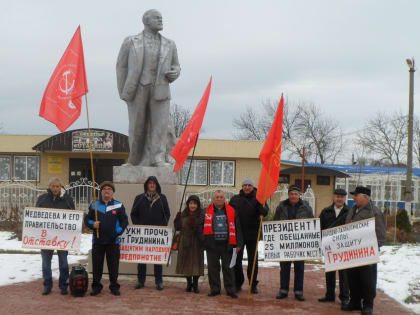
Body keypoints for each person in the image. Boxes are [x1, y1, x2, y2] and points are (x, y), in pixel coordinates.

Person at [116, 9, 181, 166]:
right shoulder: (131, 41)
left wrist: (175, 72)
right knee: (137, 125)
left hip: (161, 88)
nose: (160, 20)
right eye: (156, 18)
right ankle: (134, 159)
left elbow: (176, 66)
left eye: (161, 17)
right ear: (146, 21)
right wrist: (124, 91)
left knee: (160, 126)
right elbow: (121, 66)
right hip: (138, 88)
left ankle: (158, 157)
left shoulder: (170, 44)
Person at [342, 186, 386, 315]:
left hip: (367, 254)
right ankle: (354, 302)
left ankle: (368, 305)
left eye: (356, 195)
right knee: (352, 278)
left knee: (367, 280)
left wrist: (371, 247)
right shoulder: (352, 210)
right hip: (352, 252)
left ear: (365, 197)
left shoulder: (375, 212)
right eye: (354, 195)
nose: (354, 197)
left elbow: (381, 235)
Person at [84, 181, 128, 296]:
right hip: (98, 241)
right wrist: (93, 224)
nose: (107, 191)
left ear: (113, 192)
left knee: (113, 266)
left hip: (113, 241)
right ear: (101, 191)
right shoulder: (94, 205)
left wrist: (118, 231)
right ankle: (96, 286)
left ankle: (114, 286)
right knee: (97, 266)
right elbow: (87, 219)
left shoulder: (119, 205)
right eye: (104, 189)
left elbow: (124, 221)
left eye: (109, 189)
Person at [199, 190, 243, 299]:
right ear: (213, 199)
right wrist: (204, 241)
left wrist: (238, 244)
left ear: (224, 199)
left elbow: (238, 227)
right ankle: (215, 289)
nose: (219, 199)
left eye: (221, 197)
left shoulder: (232, 211)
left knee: (228, 269)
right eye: (217, 197)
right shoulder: (205, 211)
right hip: (212, 245)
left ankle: (230, 290)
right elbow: (199, 227)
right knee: (213, 269)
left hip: (227, 244)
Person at [274, 185, 314, 301]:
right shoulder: (281, 206)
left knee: (299, 267)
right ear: (288, 195)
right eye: (291, 194)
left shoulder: (306, 207)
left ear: (299, 195)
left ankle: (298, 291)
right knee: (284, 267)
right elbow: (276, 222)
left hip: (300, 243)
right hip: (285, 242)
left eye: (295, 194)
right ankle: (283, 290)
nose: (293, 196)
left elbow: (311, 223)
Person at [36, 177, 75, 296]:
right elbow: (36, 215)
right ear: (49, 187)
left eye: (57, 186)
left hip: (62, 237)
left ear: (61, 187)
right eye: (53, 186)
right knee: (46, 262)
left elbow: (73, 215)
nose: (55, 188)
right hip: (46, 237)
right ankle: (47, 285)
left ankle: (63, 285)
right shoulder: (42, 198)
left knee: (63, 262)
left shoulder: (67, 199)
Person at [229, 178, 268, 294]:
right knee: (237, 260)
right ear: (242, 187)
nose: (247, 187)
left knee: (253, 260)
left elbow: (265, 212)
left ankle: (253, 283)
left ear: (253, 187)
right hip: (238, 235)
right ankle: (238, 282)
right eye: (244, 185)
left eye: (249, 185)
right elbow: (229, 213)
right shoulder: (235, 199)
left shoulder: (259, 198)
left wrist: (262, 206)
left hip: (253, 234)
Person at [131, 176, 171, 290]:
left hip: (157, 234)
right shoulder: (139, 198)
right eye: (150, 183)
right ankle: (141, 281)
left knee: (157, 258)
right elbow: (133, 214)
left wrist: (162, 227)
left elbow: (167, 214)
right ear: (147, 185)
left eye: (154, 183)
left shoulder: (162, 198)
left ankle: (159, 281)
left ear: (157, 185)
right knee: (142, 259)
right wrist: (138, 227)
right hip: (142, 235)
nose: (152, 185)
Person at [318, 188, 350, 306]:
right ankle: (329, 295)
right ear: (333, 197)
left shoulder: (350, 211)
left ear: (345, 198)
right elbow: (319, 228)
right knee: (330, 272)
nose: (339, 199)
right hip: (329, 247)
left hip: (344, 247)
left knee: (344, 274)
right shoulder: (325, 211)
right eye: (337, 196)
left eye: (341, 197)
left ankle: (345, 297)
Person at [174, 195, 204, 294]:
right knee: (185, 263)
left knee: (196, 263)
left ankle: (195, 284)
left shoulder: (201, 214)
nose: (193, 205)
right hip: (185, 241)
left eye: (195, 203)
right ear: (188, 204)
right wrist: (177, 220)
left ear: (198, 205)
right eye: (191, 203)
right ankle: (189, 283)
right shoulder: (183, 214)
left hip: (196, 242)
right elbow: (178, 228)